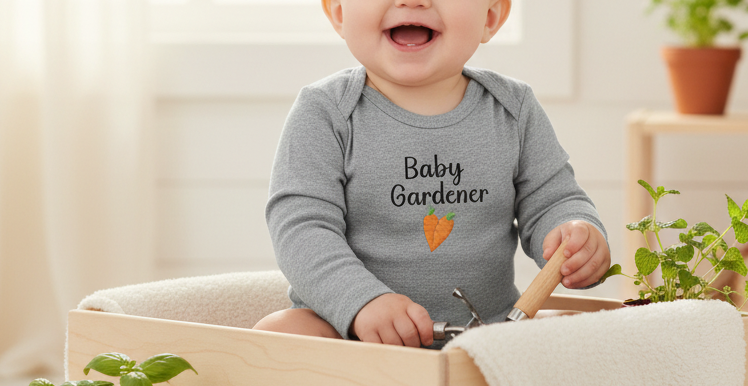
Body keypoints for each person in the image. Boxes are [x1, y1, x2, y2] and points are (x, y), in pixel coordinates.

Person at [255, 0, 610, 347]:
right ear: (338, 12)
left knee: (585, 334)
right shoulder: (326, 112)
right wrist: (361, 302)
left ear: (490, 15)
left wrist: (576, 233)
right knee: (279, 334)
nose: (413, 2)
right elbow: (301, 228)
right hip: (354, 337)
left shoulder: (512, 109)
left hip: (490, 334)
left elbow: (553, 199)